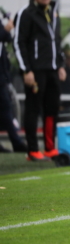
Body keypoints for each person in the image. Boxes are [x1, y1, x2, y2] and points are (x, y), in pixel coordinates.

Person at [13, 0, 66, 161]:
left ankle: (50, 148)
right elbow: (18, 43)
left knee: (52, 109)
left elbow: (56, 41)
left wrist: (60, 65)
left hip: (52, 69)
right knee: (33, 109)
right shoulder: (26, 14)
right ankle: (33, 150)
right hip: (35, 71)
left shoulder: (53, 12)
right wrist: (26, 70)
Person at [0, 16, 28, 154]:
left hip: (1, 76)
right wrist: (6, 29)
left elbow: (6, 38)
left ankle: (16, 141)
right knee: (5, 108)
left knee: (6, 108)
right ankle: (16, 141)